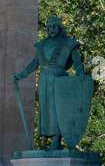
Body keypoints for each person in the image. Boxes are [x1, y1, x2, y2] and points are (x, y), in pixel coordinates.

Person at [13, 15, 84, 149]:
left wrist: (81, 75)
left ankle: (57, 139)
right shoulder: (42, 45)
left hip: (59, 80)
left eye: (53, 26)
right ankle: (47, 140)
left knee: (57, 110)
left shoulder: (69, 43)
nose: (51, 29)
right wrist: (20, 75)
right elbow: (34, 63)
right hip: (44, 81)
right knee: (45, 110)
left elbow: (77, 63)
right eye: (49, 27)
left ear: (59, 27)